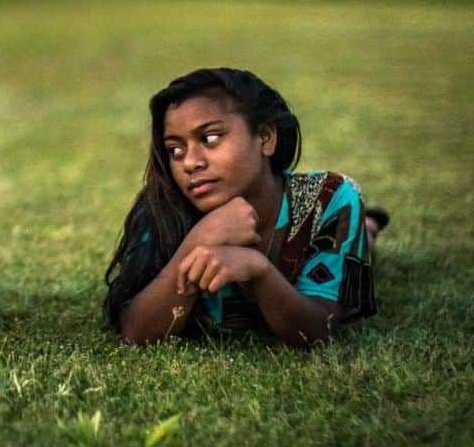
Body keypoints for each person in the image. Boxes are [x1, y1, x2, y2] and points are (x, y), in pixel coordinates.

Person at [104, 67, 384, 348]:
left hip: (325, 240)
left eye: (210, 138)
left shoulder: (327, 199)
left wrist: (259, 270)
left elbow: (316, 331)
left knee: (361, 248)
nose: (190, 163)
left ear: (265, 138)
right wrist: (198, 240)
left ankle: (367, 229)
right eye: (175, 149)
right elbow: (135, 333)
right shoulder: (163, 208)